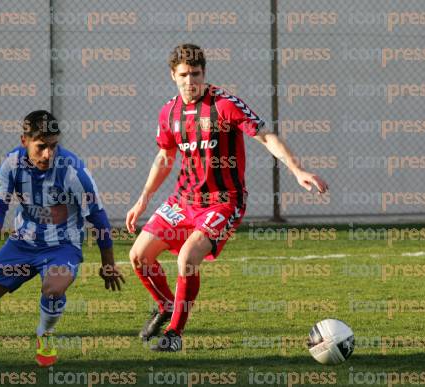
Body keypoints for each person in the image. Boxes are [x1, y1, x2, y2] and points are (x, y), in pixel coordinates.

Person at [126, 44, 329, 352]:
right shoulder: (169, 112)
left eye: (196, 74)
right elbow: (165, 156)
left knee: (187, 258)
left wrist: (296, 169)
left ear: (204, 74)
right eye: (184, 75)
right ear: (173, 75)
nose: (190, 81)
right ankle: (166, 304)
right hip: (184, 200)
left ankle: (174, 334)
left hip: (224, 200)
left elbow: (265, 135)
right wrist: (143, 199)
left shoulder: (224, 105)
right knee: (139, 256)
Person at [0, 110, 124, 366]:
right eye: (41, 147)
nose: (48, 154)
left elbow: (99, 218)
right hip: (22, 243)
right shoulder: (11, 164)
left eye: (53, 146)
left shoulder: (73, 171)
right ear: (24, 140)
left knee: (53, 288)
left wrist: (108, 264)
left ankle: (45, 335)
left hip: (62, 246)